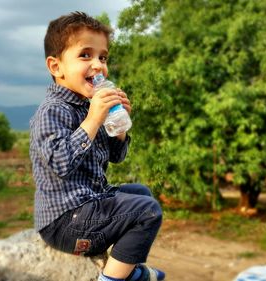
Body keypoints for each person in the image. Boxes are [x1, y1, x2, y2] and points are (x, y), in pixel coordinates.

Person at [29, 11, 165, 281]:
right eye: (85, 55)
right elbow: (61, 164)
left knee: (142, 194)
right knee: (147, 212)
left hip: (89, 205)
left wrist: (119, 128)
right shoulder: (53, 111)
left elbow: (116, 157)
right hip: (65, 220)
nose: (98, 65)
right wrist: (93, 119)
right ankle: (112, 279)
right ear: (56, 67)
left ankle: (125, 268)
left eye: (103, 57)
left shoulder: (92, 105)